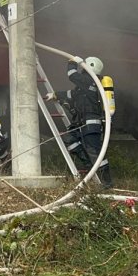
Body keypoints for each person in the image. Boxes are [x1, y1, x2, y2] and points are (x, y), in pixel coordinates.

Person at [48, 56, 114, 188]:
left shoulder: (90, 81)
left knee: (94, 151)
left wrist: (72, 62)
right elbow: (71, 94)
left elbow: (72, 75)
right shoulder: (85, 86)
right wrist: (55, 94)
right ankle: (89, 166)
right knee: (70, 140)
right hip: (81, 123)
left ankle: (106, 182)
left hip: (91, 124)